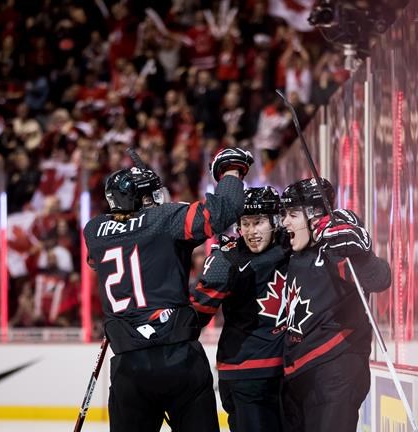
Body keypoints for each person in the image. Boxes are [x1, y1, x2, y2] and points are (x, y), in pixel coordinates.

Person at [83, 147, 253, 432]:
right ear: (142, 198)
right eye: (151, 195)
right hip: (178, 358)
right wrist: (232, 170)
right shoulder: (165, 219)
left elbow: (99, 260)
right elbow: (223, 210)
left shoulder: (94, 231)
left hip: (128, 364)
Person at [279, 177, 391, 432]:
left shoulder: (334, 247)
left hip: (335, 371)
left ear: (314, 216)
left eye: (293, 215)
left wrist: (361, 253)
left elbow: (379, 279)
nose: (285, 222)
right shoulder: (294, 250)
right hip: (299, 376)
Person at [190, 186, 289, 432]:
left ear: (275, 221)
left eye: (258, 222)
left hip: (286, 372)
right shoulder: (228, 259)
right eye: (246, 224)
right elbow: (196, 314)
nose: (251, 231)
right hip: (245, 374)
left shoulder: (293, 247)